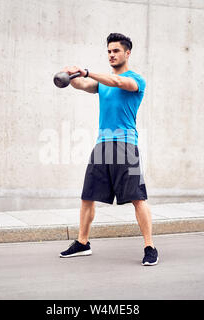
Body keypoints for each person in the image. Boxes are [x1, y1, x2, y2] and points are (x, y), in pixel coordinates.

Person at [59, 33, 158, 266]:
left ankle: (150, 246)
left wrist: (85, 71)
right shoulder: (101, 83)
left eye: (116, 51)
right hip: (102, 146)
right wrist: (71, 74)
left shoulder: (136, 80)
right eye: (109, 51)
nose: (111, 55)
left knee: (137, 198)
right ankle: (82, 243)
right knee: (87, 196)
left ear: (127, 53)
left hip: (127, 147)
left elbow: (118, 82)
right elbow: (82, 84)